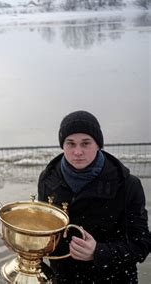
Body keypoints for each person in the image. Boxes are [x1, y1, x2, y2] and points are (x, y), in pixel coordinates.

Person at [38, 110, 151, 283]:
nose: (77, 152)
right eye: (71, 143)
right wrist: (25, 244)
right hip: (63, 278)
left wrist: (98, 252)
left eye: (85, 143)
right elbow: (45, 231)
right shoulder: (47, 178)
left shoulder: (127, 185)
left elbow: (141, 244)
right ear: (62, 145)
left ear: (98, 144)